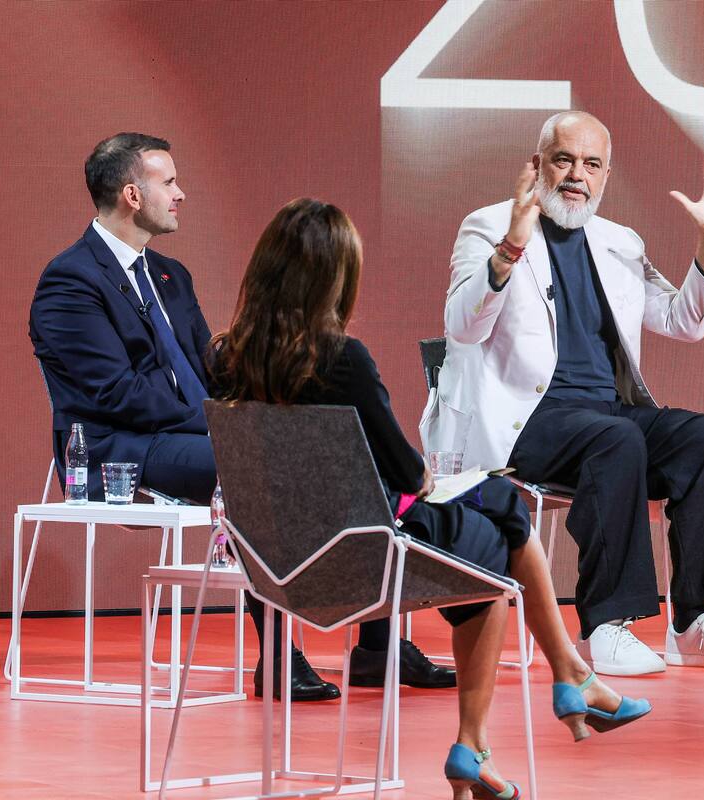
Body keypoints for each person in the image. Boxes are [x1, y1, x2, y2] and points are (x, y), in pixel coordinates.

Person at [209, 197, 651, 799]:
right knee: (496, 541)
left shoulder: (224, 358)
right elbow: (407, 473)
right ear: (336, 279)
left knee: (497, 506)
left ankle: (561, 684)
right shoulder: (343, 359)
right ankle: (501, 725)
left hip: (271, 558)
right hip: (366, 555)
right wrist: (426, 478)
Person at [28, 133, 448, 703]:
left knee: (339, 450)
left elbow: (214, 370)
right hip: (121, 452)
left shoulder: (170, 275)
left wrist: (264, 408)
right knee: (258, 463)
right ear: (132, 194)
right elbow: (115, 395)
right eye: (169, 182)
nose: (181, 193)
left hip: (193, 435)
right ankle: (277, 655)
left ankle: (378, 644)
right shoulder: (71, 280)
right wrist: (226, 423)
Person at [421, 111, 704, 676]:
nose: (576, 175)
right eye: (564, 160)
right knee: (616, 439)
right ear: (538, 165)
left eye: (591, 164)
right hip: (526, 422)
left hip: (604, 415)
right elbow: (462, 326)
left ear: (606, 174)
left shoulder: (619, 242)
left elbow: (681, 320)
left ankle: (693, 622)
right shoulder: (489, 226)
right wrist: (511, 247)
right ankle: (604, 626)